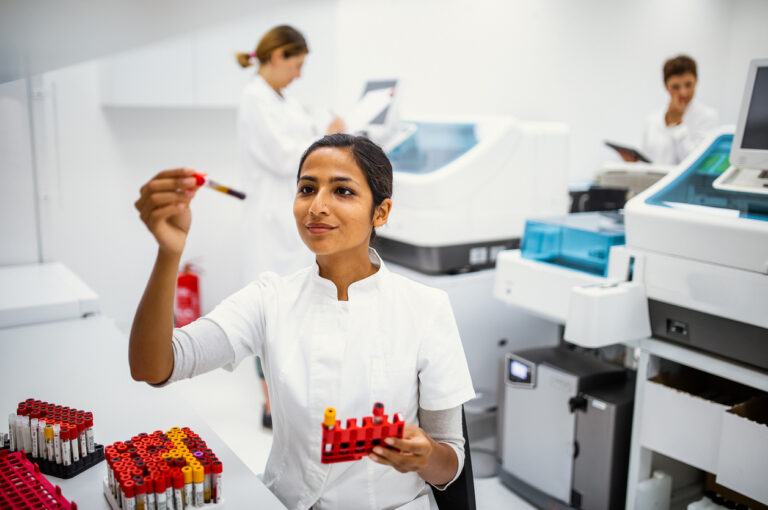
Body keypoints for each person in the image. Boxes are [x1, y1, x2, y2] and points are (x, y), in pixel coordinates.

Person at [130, 134, 476, 510]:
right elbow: (154, 366)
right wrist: (169, 252)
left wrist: (425, 457)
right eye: (307, 189)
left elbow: (450, 465)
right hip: (284, 501)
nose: (318, 207)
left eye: (343, 191)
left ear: (381, 212)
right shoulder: (270, 298)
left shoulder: (426, 308)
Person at [235, 25, 345, 428]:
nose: (299, 73)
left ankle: (290, 400)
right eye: (296, 64)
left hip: (290, 225)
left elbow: (304, 141)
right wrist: (326, 136)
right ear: (278, 55)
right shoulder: (254, 98)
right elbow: (286, 157)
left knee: (296, 316)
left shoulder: (283, 99)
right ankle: (271, 406)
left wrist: (327, 130)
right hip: (270, 225)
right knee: (272, 316)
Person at [639, 54, 718, 165]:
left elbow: (697, 163)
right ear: (666, 86)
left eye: (688, 85)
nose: (683, 93)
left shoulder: (707, 116)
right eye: (676, 87)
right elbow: (646, 160)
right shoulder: (652, 119)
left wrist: (678, 124)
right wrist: (634, 162)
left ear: (696, 81)